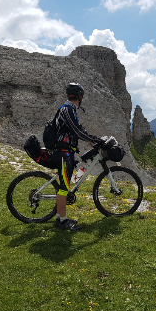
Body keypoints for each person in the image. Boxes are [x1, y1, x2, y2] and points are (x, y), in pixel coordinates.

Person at [53, 82, 102, 231]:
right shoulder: (67, 109)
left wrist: (92, 137)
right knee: (64, 187)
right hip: (64, 151)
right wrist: (95, 140)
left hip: (68, 150)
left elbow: (79, 129)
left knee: (70, 179)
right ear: (80, 97)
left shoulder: (69, 109)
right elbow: (78, 132)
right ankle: (61, 221)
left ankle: (61, 216)